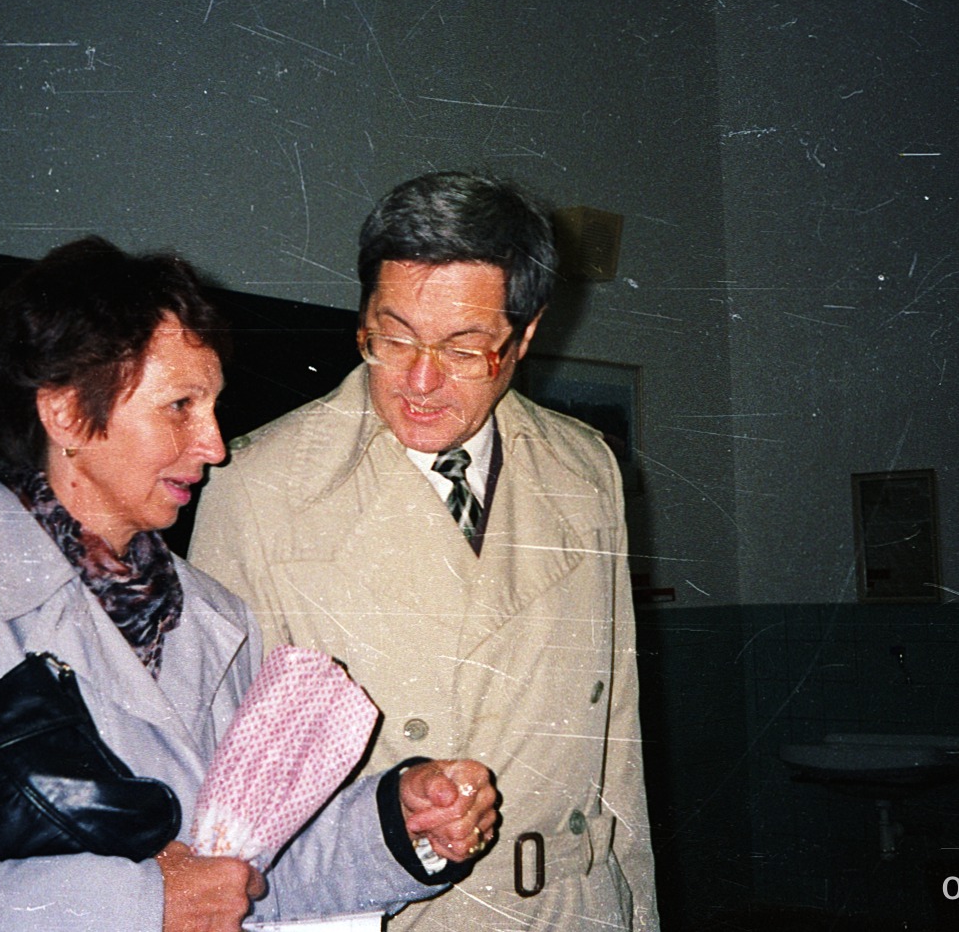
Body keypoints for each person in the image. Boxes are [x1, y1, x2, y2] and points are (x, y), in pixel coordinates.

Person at [0, 236, 499, 932]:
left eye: (214, 407)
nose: (215, 445)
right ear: (66, 412)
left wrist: (396, 826)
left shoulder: (215, 618)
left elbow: (239, 872)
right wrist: (137, 905)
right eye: (180, 407)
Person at [191, 172, 659, 931]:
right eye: (394, 335)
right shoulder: (258, 487)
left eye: (465, 349)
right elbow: (220, 792)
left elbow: (618, 748)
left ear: (525, 336)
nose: (419, 380)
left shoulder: (586, 469)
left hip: (577, 908)